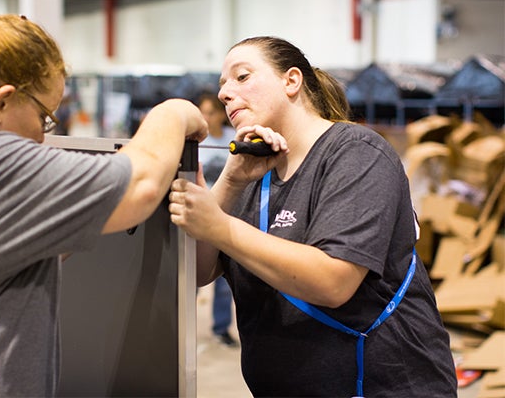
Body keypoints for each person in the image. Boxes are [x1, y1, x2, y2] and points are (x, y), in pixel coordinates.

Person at [0, 4, 207, 397]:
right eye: (44, 116)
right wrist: (175, 112)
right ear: (2, 103)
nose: (43, 136)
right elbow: (141, 185)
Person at [169, 36, 457, 397]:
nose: (225, 93)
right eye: (222, 85)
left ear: (292, 80)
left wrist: (221, 226)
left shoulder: (356, 153)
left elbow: (332, 282)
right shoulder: (252, 173)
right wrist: (228, 182)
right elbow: (199, 272)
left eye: (241, 77)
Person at [197, 92, 238, 347]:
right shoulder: (194, 143)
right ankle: (177, 324)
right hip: (198, 215)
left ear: (221, 114)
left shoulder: (233, 139)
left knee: (224, 279)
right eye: (202, 112)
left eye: (210, 112)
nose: (205, 117)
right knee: (189, 276)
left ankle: (221, 327)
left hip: (226, 215)